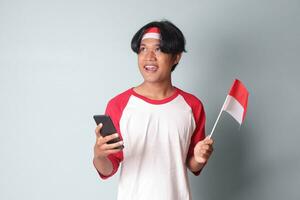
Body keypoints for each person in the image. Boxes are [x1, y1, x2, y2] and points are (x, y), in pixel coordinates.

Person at [93, 20, 214, 200]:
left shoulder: (192, 105)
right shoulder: (118, 105)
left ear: (176, 57)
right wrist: (99, 155)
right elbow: (108, 168)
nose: (149, 56)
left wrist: (199, 158)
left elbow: (192, 164)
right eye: (142, 49)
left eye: (158, 49)